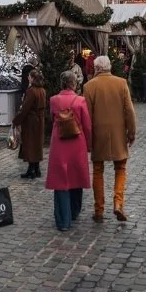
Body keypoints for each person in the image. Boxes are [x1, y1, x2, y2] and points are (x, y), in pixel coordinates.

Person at [83, 56, 137, 223]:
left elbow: (87, 116)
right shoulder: (121, 83)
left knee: (98, 170)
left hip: (98, 134)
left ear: (96, 68)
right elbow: (129, 110)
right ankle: (118, 204)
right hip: (118, 133)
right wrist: (131, 132)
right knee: (120, 168)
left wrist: (88, 139)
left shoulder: (88, 86)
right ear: (109, 67)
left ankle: (99, 210)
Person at [46, 67, 92, 231]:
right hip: (77, 143)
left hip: (59, 143)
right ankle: (74, 211)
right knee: (76, 177)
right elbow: (87, 125)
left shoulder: (53, 100)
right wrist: (89, 144)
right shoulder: (80, 101)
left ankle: (63, 220)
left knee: (61, 182)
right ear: (74, 83)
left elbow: (52, 119)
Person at [16, 63, 49, 179]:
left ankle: (32, 169)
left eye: (29, 76)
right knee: (36, 145)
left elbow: (25, 107)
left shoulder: (31, 91)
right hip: (39, 120)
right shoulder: (42, 90)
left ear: (32, 78)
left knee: (30, 145)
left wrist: (16, 120)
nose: (27, 78)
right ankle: (35, 168)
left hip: (31, 122)